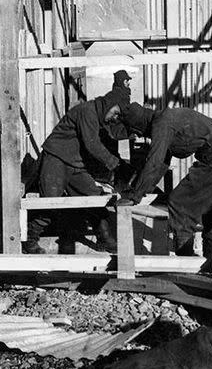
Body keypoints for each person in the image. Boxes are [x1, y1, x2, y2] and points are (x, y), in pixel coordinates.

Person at [112, 103, 212, 259]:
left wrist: (135, 196)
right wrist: (144, 189)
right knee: (211, 209)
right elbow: (163, 162)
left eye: (136, 133)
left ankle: (186, 259)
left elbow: (154, 161)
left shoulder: (161, 124)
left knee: (179, 202)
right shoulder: (164, 119)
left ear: (138, 128)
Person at [24, 88, 132, 255]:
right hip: (56, 159)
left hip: (75, 163)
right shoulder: (87, 111)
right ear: (108, 105)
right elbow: (93, 145)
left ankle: (105, 240)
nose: (115, 117)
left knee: (94, 197)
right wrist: (116, 164)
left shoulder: (98, 116)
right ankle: (29, 240)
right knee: (50, 202)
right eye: (115, 112)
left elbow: (110, 136)